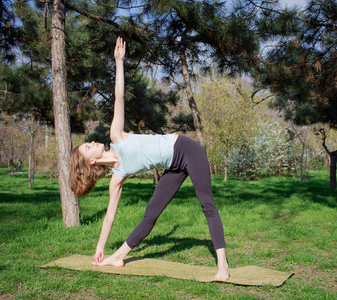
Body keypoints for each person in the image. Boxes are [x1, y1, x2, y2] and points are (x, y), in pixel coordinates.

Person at [69, 37, 230, 281]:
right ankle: (119, 256)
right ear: (90, 162)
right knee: (150, 214)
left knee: (207, 203)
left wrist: (119, 62)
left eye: (88, 143)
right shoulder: (116, 178)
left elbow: (119, 96)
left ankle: (223, 268)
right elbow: (109, 217)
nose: (91, 142)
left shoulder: (117, 135)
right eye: (87, 148)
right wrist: (100, 248)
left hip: (187, 150)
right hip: (173, 166)